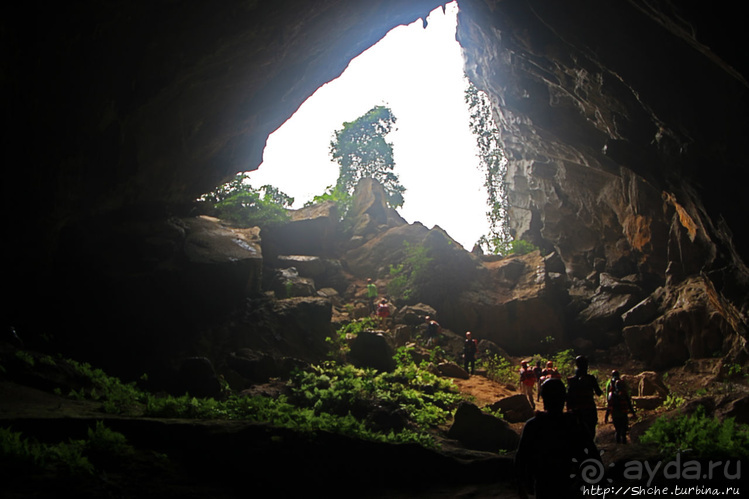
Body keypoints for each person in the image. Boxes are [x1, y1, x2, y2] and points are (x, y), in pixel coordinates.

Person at [515, 378, 601, 499]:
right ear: (564, 399)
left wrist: (521, 486)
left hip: (543, 483)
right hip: (571, 483)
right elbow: (593, 455)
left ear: (544, 399)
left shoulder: (534, 425)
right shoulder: (575, 424)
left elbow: (521, 458)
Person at [566, 355, 603, 439]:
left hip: (576, 410)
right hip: (589, 408)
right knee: (590, 432)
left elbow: (569, 397)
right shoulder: (591, 379)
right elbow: (598, 392)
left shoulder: (571, 380)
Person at [605, 379, 636, 444]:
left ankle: (618, 446)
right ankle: (623, 446)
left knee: (618, 431)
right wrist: (633, 413)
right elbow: (629, 405)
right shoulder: (624, 394)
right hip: (623, 414)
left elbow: (609, 406)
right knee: (623, 432)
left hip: (615, 415)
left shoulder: (611, 394)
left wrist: (606, 416)